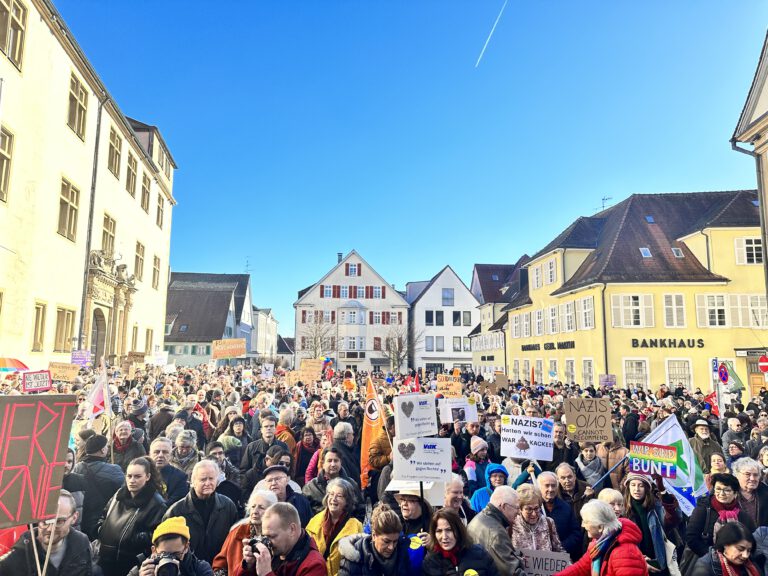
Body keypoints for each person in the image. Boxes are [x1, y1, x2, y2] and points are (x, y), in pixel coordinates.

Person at [96, 456, 167, 575]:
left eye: (137, 476)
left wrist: (134, 538)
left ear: (148, 477)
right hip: (105, 559)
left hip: (131, 565)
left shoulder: (157, 504)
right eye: (129, 476)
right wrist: (101, 529)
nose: (132, 480)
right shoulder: (119, 495)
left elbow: (158, 536)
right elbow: (104, 516)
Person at [164, 460, 240, 564]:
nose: (208, 483)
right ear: (193, 482)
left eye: (211, 478)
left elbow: (235, 542)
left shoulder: (228, 506)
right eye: (203, 479)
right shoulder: (176, 511)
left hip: (220, 568)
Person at [0, 490, 92, 576]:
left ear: (74, 518)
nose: (50, 529)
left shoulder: (81, 542)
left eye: (59, 522)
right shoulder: (21, 552)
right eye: (45, 521)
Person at [557, 500, 648, 576]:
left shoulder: (625, 552)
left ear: (600, 527)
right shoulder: (599, 544)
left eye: (586, 522)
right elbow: (581, 568)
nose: (582, 525)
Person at [238, 502, 327, 576]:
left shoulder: (314, 564)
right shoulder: (275, 552)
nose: (268, 542)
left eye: (272, 536)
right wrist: (248, 566)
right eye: (264, 536)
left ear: (292, 529)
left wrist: (266, 573)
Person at [621, 473, 680, 576]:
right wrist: (639, 558)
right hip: (633, 563)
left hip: (657, 562)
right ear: (628, 487)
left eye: (641, 485)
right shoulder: (622, 510)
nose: (636, 489)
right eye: (633, 485)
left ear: (647, 488)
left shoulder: (656, 506)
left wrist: (662, 490)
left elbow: (674, 519)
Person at [337, 503, 420, 576]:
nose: (391, 547)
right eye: (386, 541)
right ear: (374, 536)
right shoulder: (354, 559)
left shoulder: (402, 551)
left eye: (395, 541)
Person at [686, 473, 757, 557]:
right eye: (718, 489)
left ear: (735, 493)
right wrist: (714, 557)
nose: (721, 493)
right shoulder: (703, 510)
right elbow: (691, 538)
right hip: (706, 561)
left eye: (727, 490)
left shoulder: (743, 516)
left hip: (736, 561)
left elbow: (751, 541)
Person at [212, 490, 278, 576]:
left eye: (261, 507)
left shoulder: (275, 537)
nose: (255, 511)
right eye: (253, 506)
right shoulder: (237, 531)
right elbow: (220, 563)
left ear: (272, 511)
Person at [306, 477, 364, 575]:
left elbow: (356, 562)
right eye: (331, 494)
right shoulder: (314, 521)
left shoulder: (355, 525)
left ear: (347, 501)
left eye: (339, 496)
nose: (333, 499)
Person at [72, 433, 125, 540]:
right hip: (104, 521)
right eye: (106, 446)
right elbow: (123, 492)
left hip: (80, 520)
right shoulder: (114, 470)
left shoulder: (76, 468)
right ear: (102, 450)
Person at [467, 485, 525, 576]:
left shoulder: (479, 518)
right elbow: (511, 571)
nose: (518, 512)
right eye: (517, 508)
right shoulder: (497, 533)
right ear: (504, 506)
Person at [422, 508, 499, 576]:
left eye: (449, 530)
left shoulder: (480, 554)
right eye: (439, 531)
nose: (444, 536)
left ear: (459, 530)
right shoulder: (430, 561)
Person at [130, 516, 214, 576]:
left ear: (186, 547)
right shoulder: (143, 569)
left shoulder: (200, 569)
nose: (171, 559)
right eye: (164, 554)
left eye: (176, 554)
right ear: (154, 550)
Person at [303, 447, 365, 520]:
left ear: (340, 462)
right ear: (323, 463)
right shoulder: (311, 487)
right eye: (329, 461)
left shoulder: (351, 484)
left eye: (336, 461)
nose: (333, 464)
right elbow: (304, 513)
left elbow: (360, 509)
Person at [537, 471, 583, 560]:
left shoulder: (566, 507)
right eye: (547, 485)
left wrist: (560, 547)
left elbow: (576, 533)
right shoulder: (534, 507)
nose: (551, 489)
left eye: (553, 485)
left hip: (560, 557)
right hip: (538, 557)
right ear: (539, 487)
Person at [691, 522, 765, 576]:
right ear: (725, 544)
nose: (745, 555)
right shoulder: (705, 569)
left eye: (748, 550)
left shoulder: (750, 563)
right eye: (740, 549)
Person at [511, 483, 564, 551]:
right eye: (529, 509)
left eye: (536, 508)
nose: (534, 514)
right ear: (520, 509)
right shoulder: (512, 525)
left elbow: (558, 550)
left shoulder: (548, 523)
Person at [150, 436, 190, 505]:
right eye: (156, 452)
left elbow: (175, 503)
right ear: (150, 454)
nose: (160, 455)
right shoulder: (140, 473)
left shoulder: (180, 477)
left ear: (171, 455)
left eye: (165, 452)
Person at [731, 458, 768, 527]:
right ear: (737, 475)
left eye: (756, 475)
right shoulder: (729, 494)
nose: (752, 478)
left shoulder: (765, 492)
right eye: (747, 474)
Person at [332, 422, 361, 487]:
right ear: (347, 436)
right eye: (352, 434)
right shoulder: (340, 454)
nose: (353, 437)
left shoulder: (345, 450)